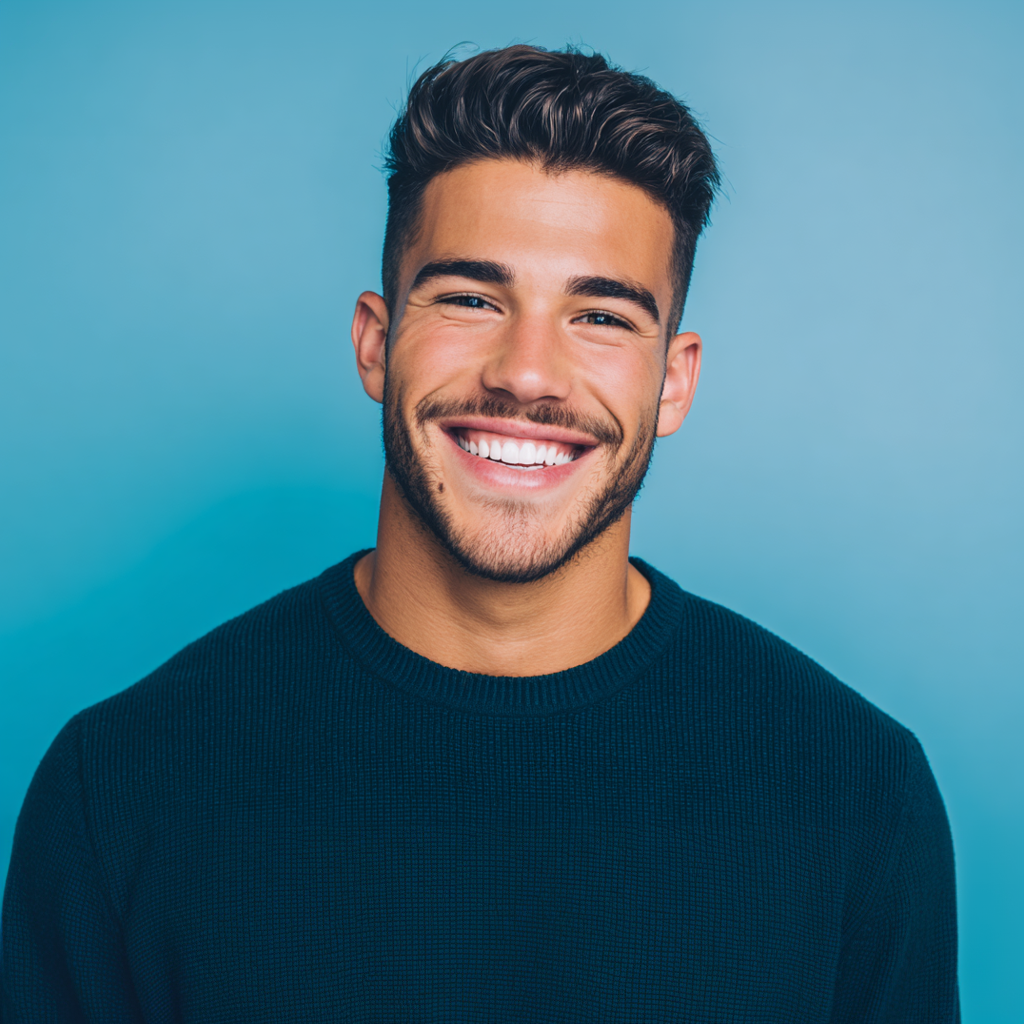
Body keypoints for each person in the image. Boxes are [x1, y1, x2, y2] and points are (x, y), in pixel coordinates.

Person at [1, 44, 958, 1023]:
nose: (528, 372)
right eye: (470, 298)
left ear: (673, 380)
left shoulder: (853, 792)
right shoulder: (120, 789)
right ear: (376, 342)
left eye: (600, 315)